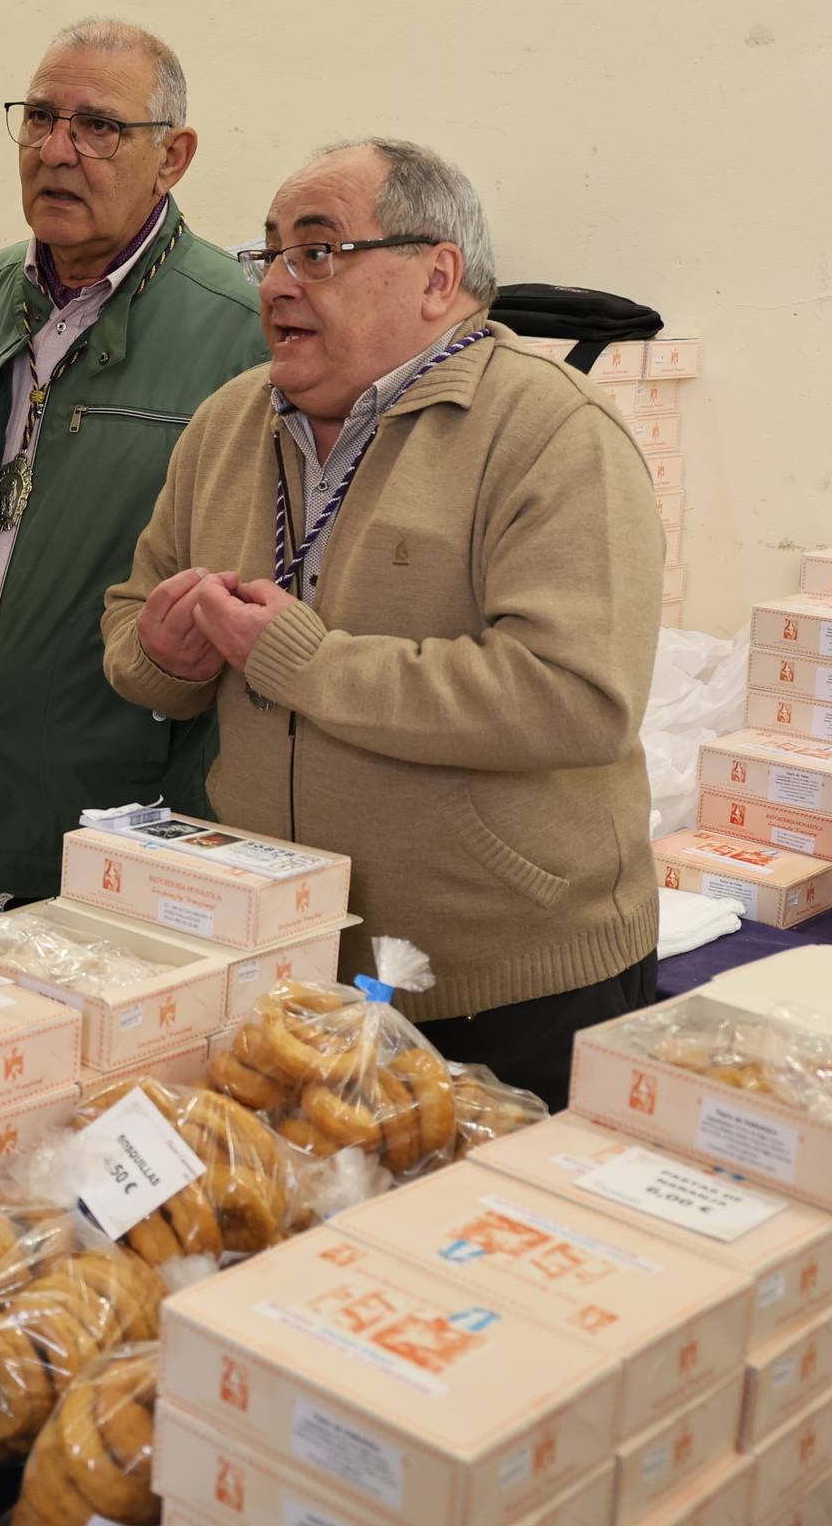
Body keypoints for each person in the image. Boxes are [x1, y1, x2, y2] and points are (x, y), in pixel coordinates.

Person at [102, 138, 663, 1107]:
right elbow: (131, 623)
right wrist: (161, 652)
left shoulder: (552, 431)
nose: (276, 284)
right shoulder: (228, 422)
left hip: (505, 987)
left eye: (318, 252)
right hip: (281, 962)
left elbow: (576, 699)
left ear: (438, 277)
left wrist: (304, 663)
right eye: (270, 252)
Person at [0, 20, 267, 903]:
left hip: (112, 812)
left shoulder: (239, 337)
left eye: (98, 126)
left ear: (173, 157)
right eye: (40, 118)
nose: (57, 151)